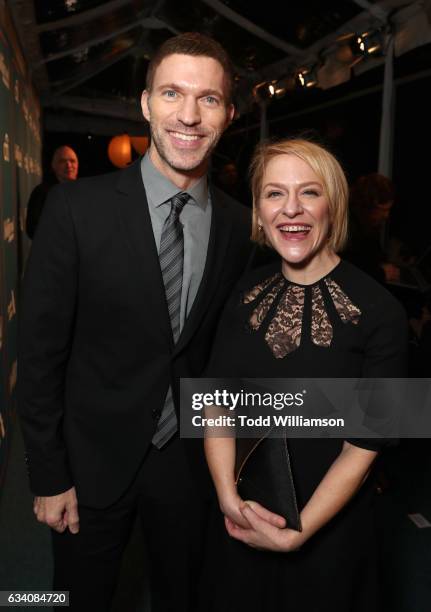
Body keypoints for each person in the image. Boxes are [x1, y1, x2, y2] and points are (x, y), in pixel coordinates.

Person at [18, 32, 253, 612]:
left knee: (185, 596)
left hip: (191, 466)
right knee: (77, 599)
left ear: (229, 114)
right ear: (146, 104)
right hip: (89, 463)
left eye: (209, 99)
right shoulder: (74, 210)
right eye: (172, 93)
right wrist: (48, 474)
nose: (189, 116)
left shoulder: (241, 227)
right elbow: (41, 352)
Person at [204, 139, 408, 611]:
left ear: (333, 206)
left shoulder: (381, 312)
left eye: (309, 192)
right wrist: (227, 497)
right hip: (243, 519)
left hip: (330, 535)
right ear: (258, 210)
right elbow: (212, 399)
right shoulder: (243, 293)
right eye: (275, 193)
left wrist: (298, 535)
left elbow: (366, 444)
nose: (290, 209)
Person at [25, 145, 79, 239]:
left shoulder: (82, 192)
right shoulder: (41, 192)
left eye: (72, 161)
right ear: (53, 165)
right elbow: (33, 229)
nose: (69, 165)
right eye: (62, 161)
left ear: (77, 165)